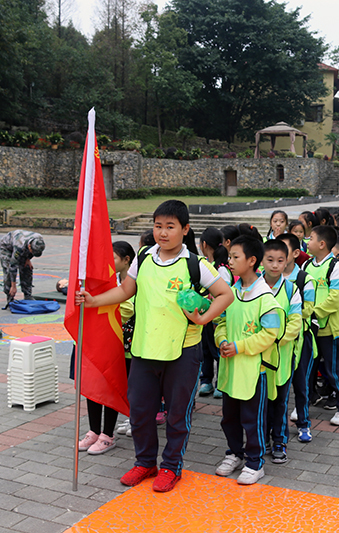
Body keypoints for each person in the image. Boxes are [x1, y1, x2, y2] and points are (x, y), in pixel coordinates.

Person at [75, 200, 234, 493]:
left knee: (176, 415)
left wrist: (203, 319)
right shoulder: (144, 257)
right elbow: (126, 290)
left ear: (185, 229)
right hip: (144, 350)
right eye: (158, 226)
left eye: (170, 227)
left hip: (182, 352)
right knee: (140, 412)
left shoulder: (195, 264)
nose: (162, 232)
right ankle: (145, 462)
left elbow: (226, 294)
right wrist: (94, 300)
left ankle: (171, 466)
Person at [214, 236, 282, 485]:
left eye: (235, 257)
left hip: (255, 372)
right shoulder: (230, 293)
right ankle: (234, 453)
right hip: (230, 369)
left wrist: (239, 347)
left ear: (252, 260)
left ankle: (255, 462)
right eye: (229, 257)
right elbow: (220, 322)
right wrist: (222, 340)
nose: (230, 261)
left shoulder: (266, 298)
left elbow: (270, 335)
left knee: (252, 420)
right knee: (229, 418)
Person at [78, 241, 136, 454]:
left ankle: (107, 435)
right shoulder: (105, 281)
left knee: (112, 387)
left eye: (114, 258)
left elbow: (126, 310)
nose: (109, 263)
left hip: (122, 346)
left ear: (126, 260)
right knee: (94, 385)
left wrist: (103, 304)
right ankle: (93, 431)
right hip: (100, 341)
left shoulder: (132, 282)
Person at [303, 225, 339, 426]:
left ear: (322, 244)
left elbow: (336, 299)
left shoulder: (336, 267)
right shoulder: (307, 265)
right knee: (306, 369)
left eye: (311, 238)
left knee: (334, 370)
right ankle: (303, 405)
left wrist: (314, 312)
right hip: (308, 328)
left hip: (328, 329)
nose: (307, 241)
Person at [261, 239, 301, 465]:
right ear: (261, 261)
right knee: (260, 403)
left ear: (286, 262)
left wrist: (274, 339)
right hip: (258, 357)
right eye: (270, 260)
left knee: (280, 402)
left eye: (280, 261)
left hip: (282, 357)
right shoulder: (253, 287)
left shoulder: (291, 289)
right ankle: (262, 440)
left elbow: (295, 323)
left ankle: (279, 442)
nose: (275, 265)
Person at [277, 233, 315, 443]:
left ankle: (304, 423)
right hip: (276, 340)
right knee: (279, 387)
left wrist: (285, 315)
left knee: (301, 384)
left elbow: (307, 309)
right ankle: (278, 428)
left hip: (301, 339)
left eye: (284, 250)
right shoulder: (266, 278)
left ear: (295, 253)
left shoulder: (304, 278)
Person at [198, 228, 232, 398]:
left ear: (204, 244)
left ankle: (221, 382)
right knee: (205, 350)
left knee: (218, 351)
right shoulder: (204, 264)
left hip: (218, 319)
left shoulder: (221, 268)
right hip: (205, 317)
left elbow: (224, 294)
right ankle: (206, 381)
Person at [0, 230, 46, 301]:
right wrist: (13, 286)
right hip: (7, 247)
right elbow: (13, 266)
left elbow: (32, 252)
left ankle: (27, 295)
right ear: (29, 246)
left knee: (27, 267)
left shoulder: (39, 240)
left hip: (23, 245)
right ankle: (10, 296)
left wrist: (28, 259)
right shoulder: (19, 245)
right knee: (8, 271)